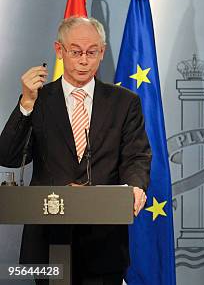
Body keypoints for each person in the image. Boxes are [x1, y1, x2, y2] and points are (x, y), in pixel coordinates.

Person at [0, 17, 151, 284]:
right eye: (76, 51)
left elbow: (136, 156)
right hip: (47, 239)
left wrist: (136, 186)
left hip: (103, 241)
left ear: (102, 52)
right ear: (59, 51)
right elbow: (8, 157)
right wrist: (25, 103)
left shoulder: (125, 103)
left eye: (92, 52)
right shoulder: (39, 99)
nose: (84, 60)